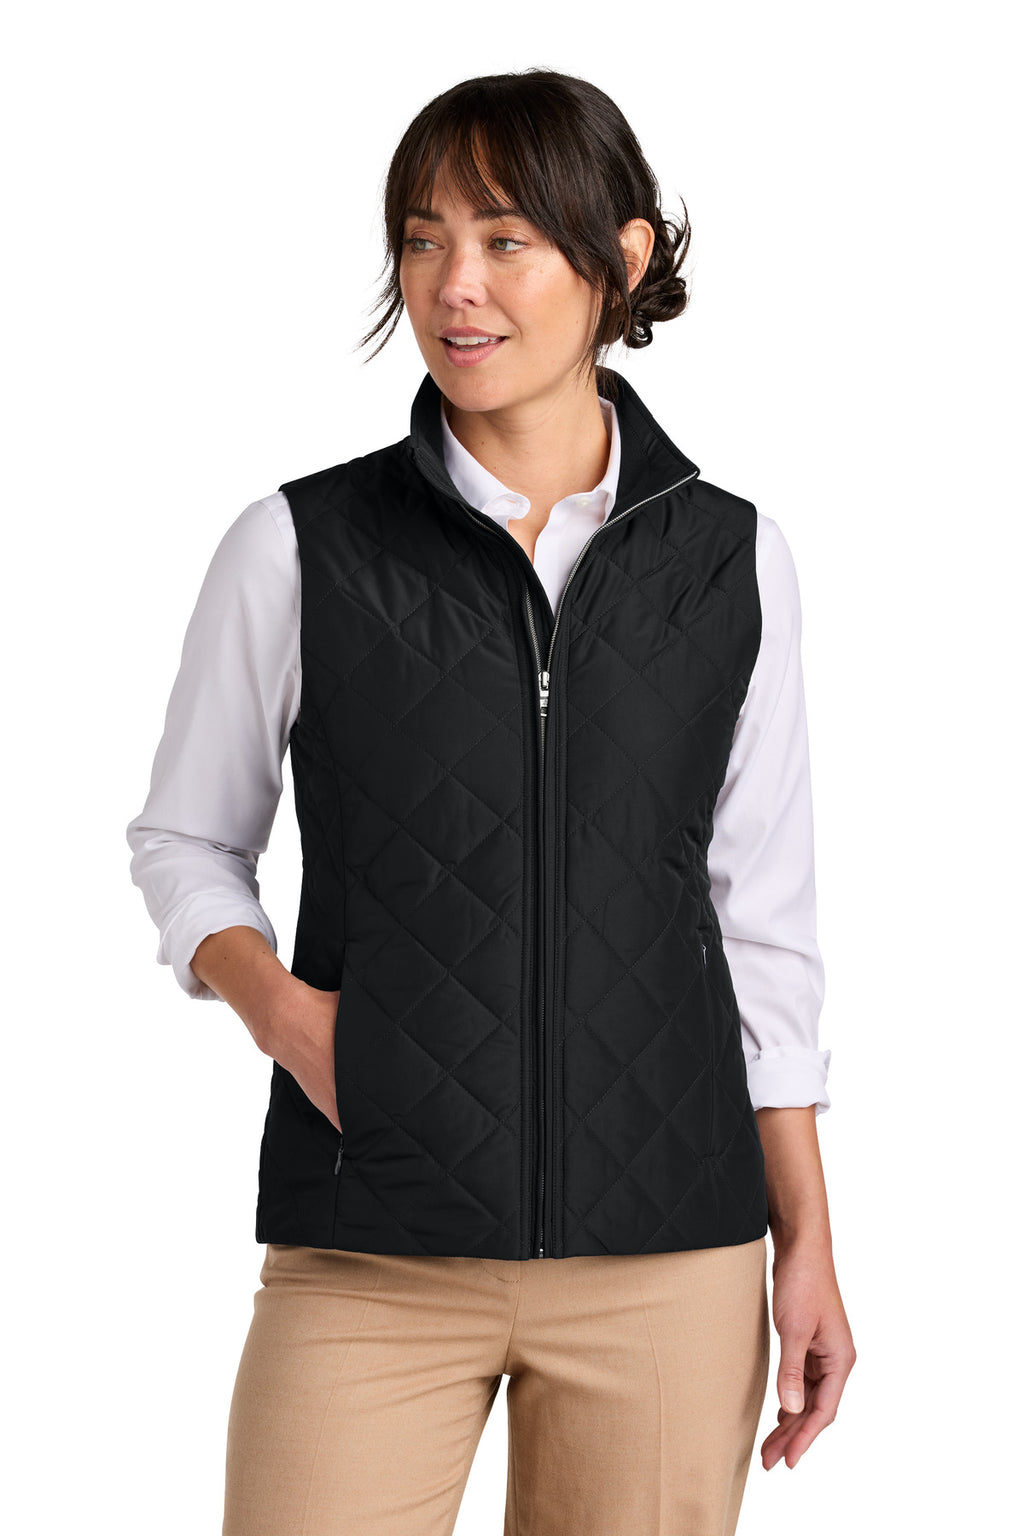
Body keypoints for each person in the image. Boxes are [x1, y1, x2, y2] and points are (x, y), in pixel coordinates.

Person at [127, 68, 855, 1536]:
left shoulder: (732, 563)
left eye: (506, 239)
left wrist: (809, 1244)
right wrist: (289, 1019)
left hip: (671, 1260)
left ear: (621, 260)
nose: (454, 285)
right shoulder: (300, 545)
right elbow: (185, 841)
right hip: (370, 1250)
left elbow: (762, 926)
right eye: (423, 238)